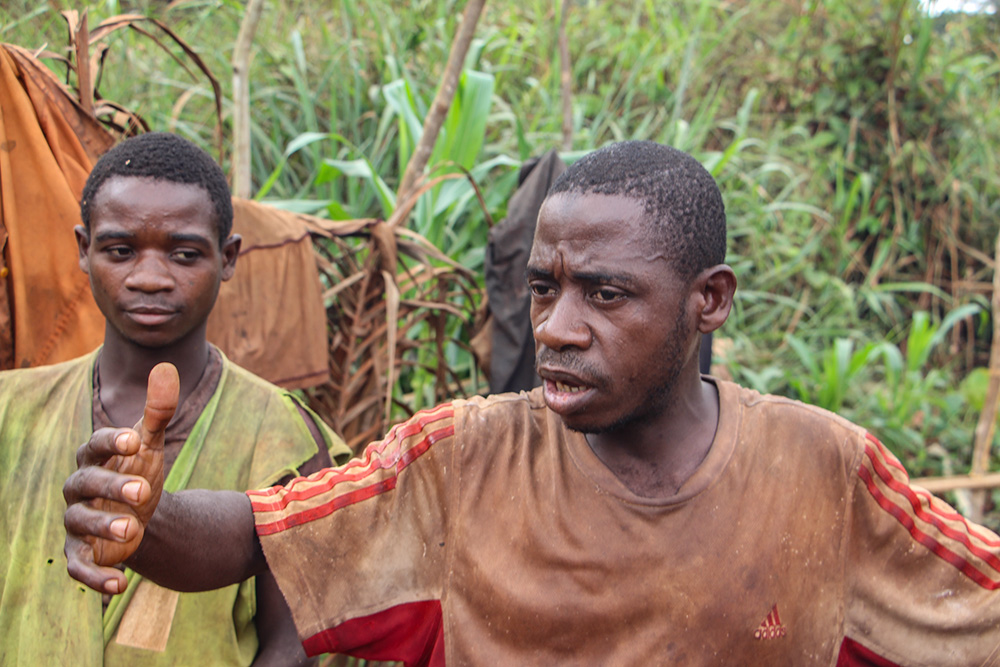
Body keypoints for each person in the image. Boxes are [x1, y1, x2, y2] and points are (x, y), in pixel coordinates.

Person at [64, 141, 1000, 665]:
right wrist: (146, 519)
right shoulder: (463, 458)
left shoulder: (824, 470)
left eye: (605, 294)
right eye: (544, 287)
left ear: (708, 299)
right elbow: (263, 534)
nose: (554, 325)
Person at [1, 132, 351, 666]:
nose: (149, 278)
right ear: (83, 250)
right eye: (120, 250)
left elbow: (302, 638)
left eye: (184, 254)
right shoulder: (10, 411)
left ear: (228, 257)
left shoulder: (286, 440)